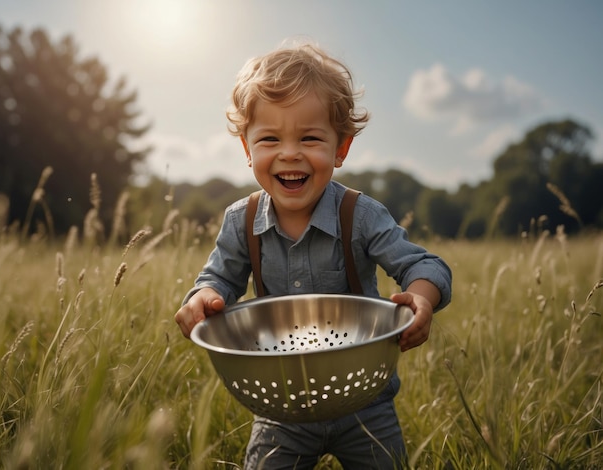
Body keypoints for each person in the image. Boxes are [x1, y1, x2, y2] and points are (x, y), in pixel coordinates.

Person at [174, 41, 452, 469]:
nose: (289, 152)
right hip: (280, 407)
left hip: (365, 404)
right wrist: (201, 301)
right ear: (248, 151)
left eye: (309, 137)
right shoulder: (241, 221)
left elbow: (425, 265)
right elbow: (218, 281)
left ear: (340, 149)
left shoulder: (359, 215)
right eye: (269, 139)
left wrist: (420, 297)